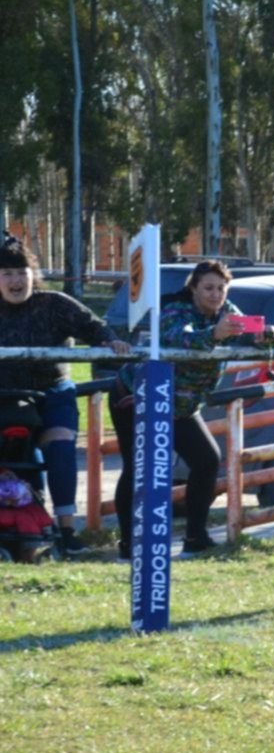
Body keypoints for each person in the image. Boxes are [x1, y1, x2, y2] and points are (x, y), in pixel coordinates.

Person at [110, 260, 274, 557]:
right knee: (138, 467)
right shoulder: (175, 310)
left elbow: (250, 335)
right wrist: (215, 334)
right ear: (193, 289)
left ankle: (195, 537)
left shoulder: (227, 311)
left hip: (182, 404)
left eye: (221, 288)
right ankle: (128, 544)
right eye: (208, 288)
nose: (216, 295)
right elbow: (182, 338)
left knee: (207, 460)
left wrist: (268, 335)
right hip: (138, 396)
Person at [0, 237, 132, 556]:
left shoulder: (54, 304)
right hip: (5, 397)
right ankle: (22, 527)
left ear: (33, 274)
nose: (15, 281)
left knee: (60, 448)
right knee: (14, 453)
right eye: (7, 274)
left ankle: (68, 530)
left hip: (52, 391)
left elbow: (95, 327)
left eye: (21, 272)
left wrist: (110, 341)